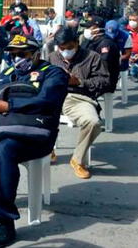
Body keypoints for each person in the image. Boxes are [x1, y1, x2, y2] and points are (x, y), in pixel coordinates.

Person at [0, 34, 68, 248]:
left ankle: (4, 222)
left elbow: (46, 101)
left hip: (37, 135)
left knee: (3, 152)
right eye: (13, 54)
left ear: (36, 53)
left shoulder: (53, 73)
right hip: (5, 131)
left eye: (23, 54)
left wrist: (9, 106)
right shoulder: (7, 74)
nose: (17, 58)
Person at [49, 27, 110, 179]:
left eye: (69, 48)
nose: (66, 52)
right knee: (30, 112)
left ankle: (77, 159)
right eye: (62, 49)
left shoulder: (92, 57)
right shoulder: (52, 57)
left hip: (78, 98)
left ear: (77, 43)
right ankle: (47, 148)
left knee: (93, 123)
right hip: (54, 95)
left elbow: (104, 81)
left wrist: (79, 82)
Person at [81, 17, 121, 93]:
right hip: (90, 75)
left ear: (97, 29)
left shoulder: (106, 43)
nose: (86, 30)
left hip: (104, 80)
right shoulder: (89, 41)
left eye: (88, 27)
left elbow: (103, 65)